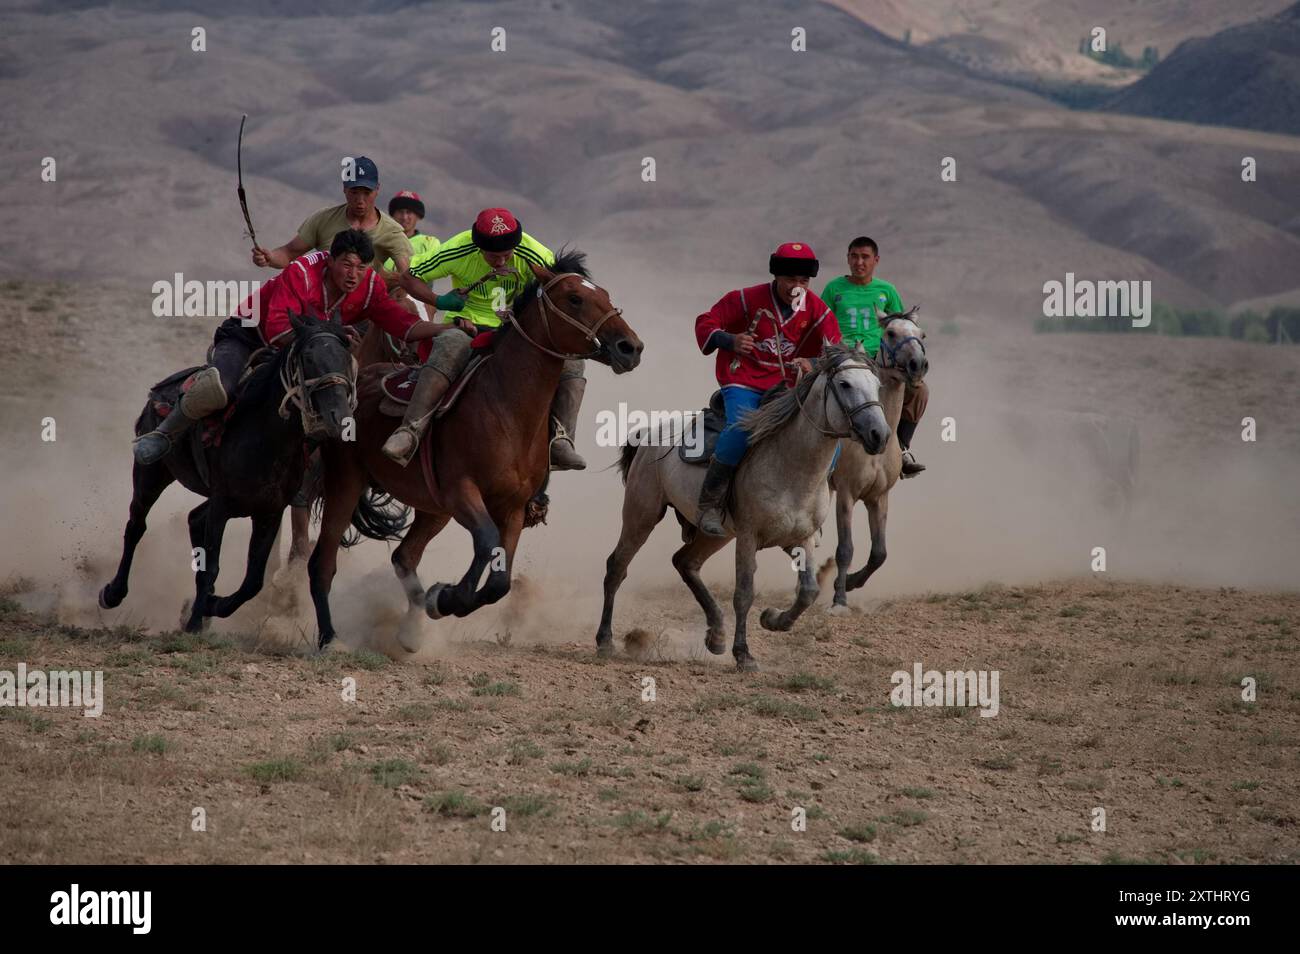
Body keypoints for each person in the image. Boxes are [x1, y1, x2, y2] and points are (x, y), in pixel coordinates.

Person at [132, 230, 464, 465]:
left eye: (361, 267)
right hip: (250, 334)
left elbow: (402, 325)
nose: (354, 274)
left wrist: (445, 327)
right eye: (347, 265)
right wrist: (330, 336)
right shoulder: (301, 273)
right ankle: (163, 434)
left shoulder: (370, 286)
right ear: (331, 260)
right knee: (221, 388)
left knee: (341, 390)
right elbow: (277, 328)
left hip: (308, 347)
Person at [392, 207, 588, 469]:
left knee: (573, 362)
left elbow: (562, 292)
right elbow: (409, 277)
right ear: (477, 247)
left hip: (517, 332)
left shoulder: (535, 255)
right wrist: (439, 300)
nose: (501, 262)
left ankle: (562, 441)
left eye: (507, 255)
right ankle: (410, 430)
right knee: (450, 345)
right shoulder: (458, 249)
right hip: (467, 327)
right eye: (493, 257)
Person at [693, 242, 842, 537]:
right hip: (743, 380)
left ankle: (809, 510)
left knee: (830, 445)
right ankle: (709, 504)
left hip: (788, 387)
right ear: (776, 276)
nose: (796, 287)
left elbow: (837, 349)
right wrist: (730, 340)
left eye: (803, 281)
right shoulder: (747, 299)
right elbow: (706, 322)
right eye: (790, 280)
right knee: (739, 430)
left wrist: (812, 362)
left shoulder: (816, 309)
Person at [821, 236, 928, 476]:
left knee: (920, 390)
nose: (859, 262)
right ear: (848, 258)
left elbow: (900, 327)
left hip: (878, 360)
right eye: (854, 256)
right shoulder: (834, 288)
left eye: (865, 257)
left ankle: (901, 448)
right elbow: (822, 323)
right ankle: (817, 450)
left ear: (875, 260)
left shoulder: (886, 290)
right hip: (842, 359)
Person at [251, 156, 412, 284]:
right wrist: (269, 257)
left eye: (366, 192)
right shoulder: (323, 219)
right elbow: (288, 253)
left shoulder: (392, 232)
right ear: (344, 188)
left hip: (364, 311)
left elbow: (408, 279)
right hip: (320, 306)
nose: (360, 200)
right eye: (354, 192)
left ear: (377, 189)